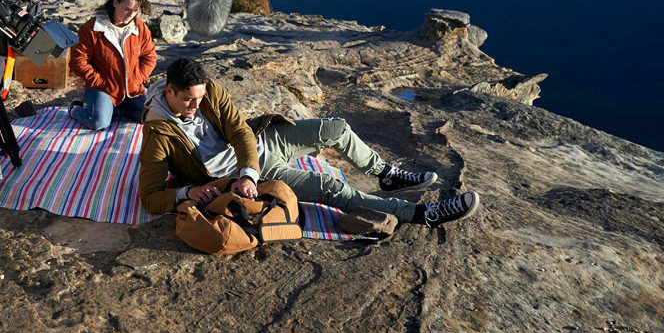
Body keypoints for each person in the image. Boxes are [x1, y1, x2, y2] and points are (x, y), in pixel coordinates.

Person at [139, 58, 481, 227]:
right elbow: (151, 198)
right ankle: (420, 214)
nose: (196, 105)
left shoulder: (208, 90)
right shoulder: (158, 134)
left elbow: (241, 132)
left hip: (262, 144)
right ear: (169, 91)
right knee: (332, 188)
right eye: (188, 100)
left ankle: (385, 174)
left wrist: (248, 171)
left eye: (199, 97)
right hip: (255, 174)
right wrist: (187, 192)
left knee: (336, 128)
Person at [68, 0, 157, 130]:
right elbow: (78, 61)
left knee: (153, 117)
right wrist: (101, 82)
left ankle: (117, 109)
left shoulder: (140, 27)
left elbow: (150, 56)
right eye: (127, 9)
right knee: (98, 123)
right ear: (115, 3)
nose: (131, 14)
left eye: (135, 10)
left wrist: (139, 77)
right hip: (103, 88)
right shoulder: (91, 29)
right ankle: (75, 110)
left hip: (132, 88)